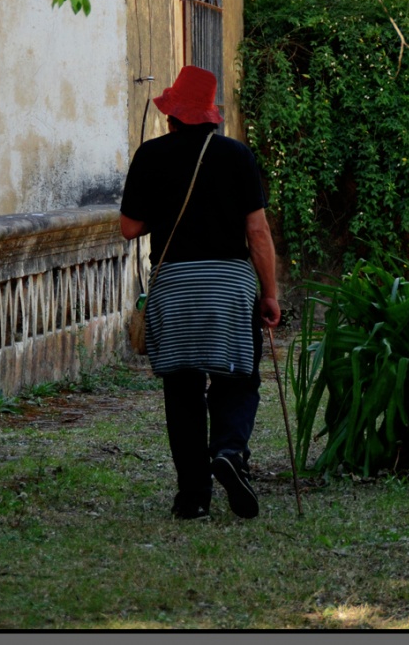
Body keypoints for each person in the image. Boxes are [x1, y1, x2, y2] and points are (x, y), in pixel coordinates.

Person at [120, 65, 281, 520]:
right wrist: (269, 294)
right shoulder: (238, 156)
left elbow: (130, 228)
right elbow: (259, 233)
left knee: (182, 386)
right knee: (238, 377)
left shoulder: (149, 156)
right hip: (229, 287)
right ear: (211, 117)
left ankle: (192, 496)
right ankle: (229, 451)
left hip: (174, 284)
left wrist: (165, 212)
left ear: (172, 116)